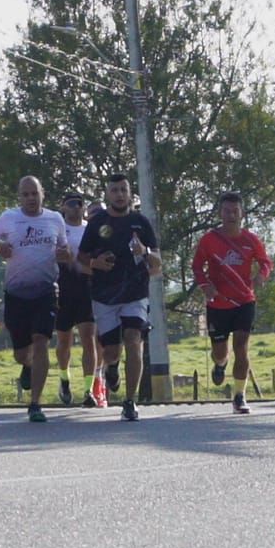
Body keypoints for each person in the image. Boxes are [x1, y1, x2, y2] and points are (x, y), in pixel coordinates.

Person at [0, 176, 70, 422]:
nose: (30, 198)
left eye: (34, 193)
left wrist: (64, 255)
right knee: (21, 353)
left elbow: (65, 251)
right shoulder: (8, 218)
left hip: (46, 291)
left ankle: (35, 404)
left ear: (43, 194)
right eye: (25, 194)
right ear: (19, 197)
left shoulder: (55, 219)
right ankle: (27, 366)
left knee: (41, 340)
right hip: (16, 293)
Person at [77, 173, 163, 422]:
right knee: (112, 351)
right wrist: (95, 263)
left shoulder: (141, 223)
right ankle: (111, 367)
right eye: (114, 190)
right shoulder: (97, 223)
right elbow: (81, 258)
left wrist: (144, 251)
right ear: (107, 194)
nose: (119, 195)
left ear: (129, 193)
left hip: (135, 292)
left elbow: (157, 262)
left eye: (123, 190)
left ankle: (130, 400)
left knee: (134, 339)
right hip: (104, 296)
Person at [191, 191, 274, 414]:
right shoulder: (210, 239)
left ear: (242, 214)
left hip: (244, 301)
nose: (231, 215)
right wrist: (205, 285)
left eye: (235, 211)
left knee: (241, 347)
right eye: (226, 211)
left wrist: (261, 276)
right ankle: (220, 364)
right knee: (220, 352)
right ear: (220, 213)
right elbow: (197, 266)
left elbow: (266, 262)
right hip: (218, 303)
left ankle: (239, 396)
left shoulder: (251, 239)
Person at [55, 191, 100, 406]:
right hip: (62, 288)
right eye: (71, 203)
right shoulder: (57, 228)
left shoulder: (90, 230)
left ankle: (88, 390)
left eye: (79, 204)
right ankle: (64, 379)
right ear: (63, 207)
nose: (75, 207)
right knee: (64, 341)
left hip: (85, 288)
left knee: (88, 340)